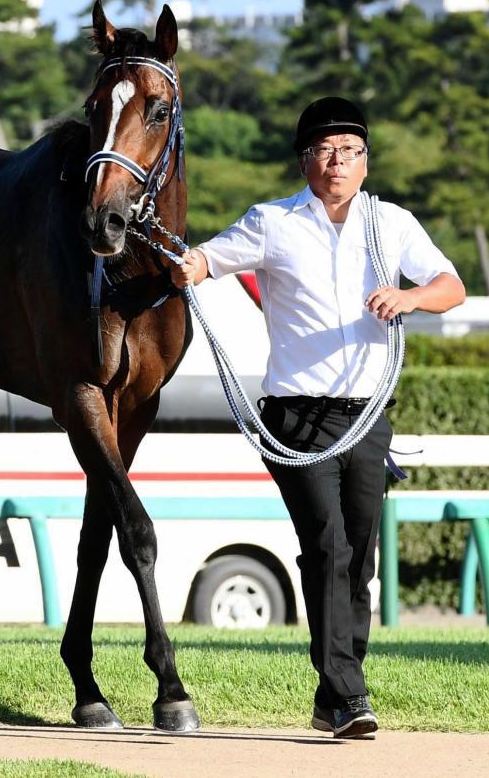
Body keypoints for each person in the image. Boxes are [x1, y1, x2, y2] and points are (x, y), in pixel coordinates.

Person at [170, 97, 465, 739]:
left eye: (351, 151)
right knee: (326, 544)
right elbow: (208, 260)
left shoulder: (393, 224)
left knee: (360, 555)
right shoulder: (271, 222)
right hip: (295, 416)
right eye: (327, 151)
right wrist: (182, 260)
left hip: (368, 415)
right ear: (306, 160)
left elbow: (451, 286)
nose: (339, 162)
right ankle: (349, 694)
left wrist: (409, 296)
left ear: (366, 161)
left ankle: (335, 693)